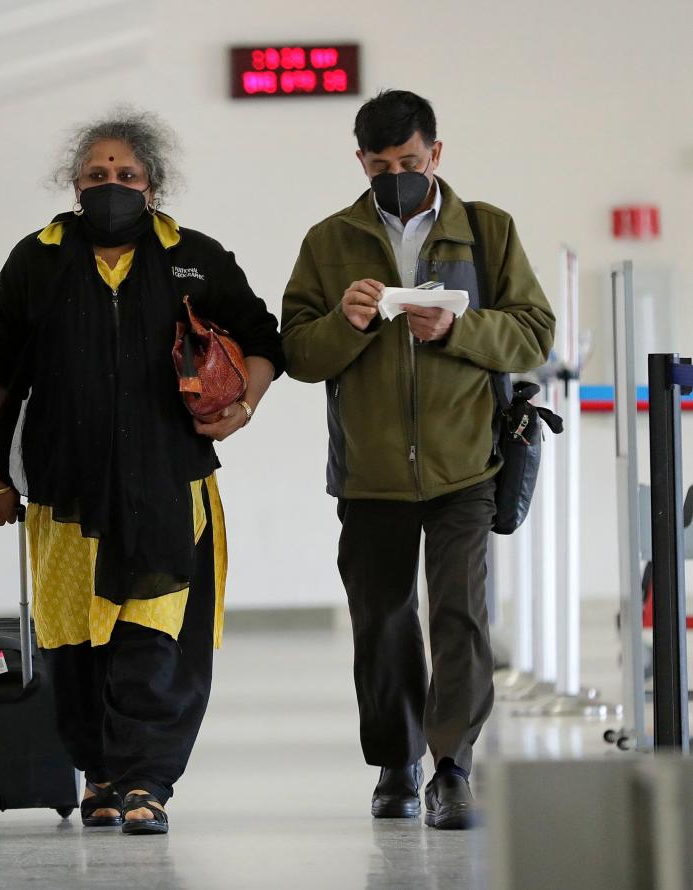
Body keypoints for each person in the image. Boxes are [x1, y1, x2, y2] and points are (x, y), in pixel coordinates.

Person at [0, 109, 284, 836]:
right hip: (63, 487)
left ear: (153, 185)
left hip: (168, 483)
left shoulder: (195, 257)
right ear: (73, 185)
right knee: (76, 644)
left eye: (126, 175)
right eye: (96, 175)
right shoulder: (36, 259)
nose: (110, 185)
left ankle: (149, 782)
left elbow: (265, 339)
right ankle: (101, 773)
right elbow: (3, 374)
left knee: (156, 642)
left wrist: (244, 406)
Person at [280, 90, 555, 830]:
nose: (396, 173)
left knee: (461, 616)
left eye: (409, 160)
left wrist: (457, 330)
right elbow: (297, 354)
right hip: (370, 474)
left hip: (467, 464)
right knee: (383, 620)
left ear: (436, 153)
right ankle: (395, 765)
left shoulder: (487, 232)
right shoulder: (330, 240)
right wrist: (345, 322)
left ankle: (453, 767)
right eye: (381, 164)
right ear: (360, 160)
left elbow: (532, 335)